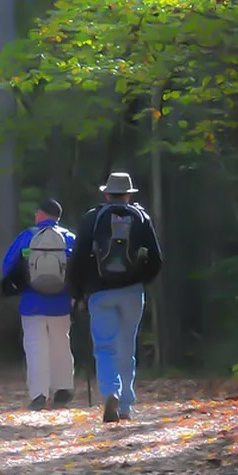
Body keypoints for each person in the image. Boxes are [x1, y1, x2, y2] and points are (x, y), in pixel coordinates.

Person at [66, 172, 163, 423]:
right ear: (129, 195)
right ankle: (126, 406)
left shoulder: (92, 218)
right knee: (127, 348)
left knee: (104, 347)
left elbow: (77, 260)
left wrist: (77, 293)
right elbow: (156, 259)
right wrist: (141, 280)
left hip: (99, 293)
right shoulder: (141, 218)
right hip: (132, 292)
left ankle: (111, 392)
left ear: (107, 194)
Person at [1, 199, 77, 410]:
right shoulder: (69, 238)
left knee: (35, 348)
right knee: (61, 343)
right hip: (61, 302)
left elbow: (7, 266)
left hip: (32, 302)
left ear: (40, 214)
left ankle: (39, 394)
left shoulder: (28, 236)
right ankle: (63, 387)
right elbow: (81, 268)